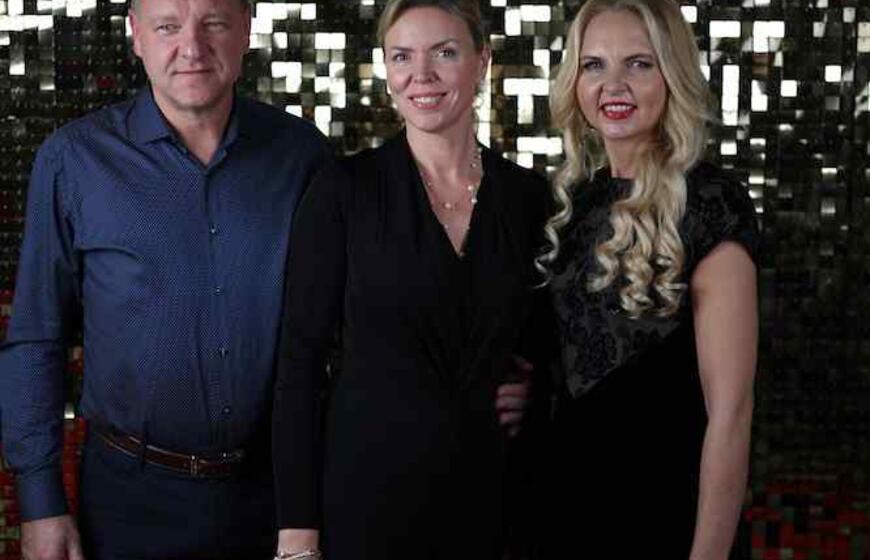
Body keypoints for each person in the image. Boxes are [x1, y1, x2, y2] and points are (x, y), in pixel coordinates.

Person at [0, 0, 531, 556]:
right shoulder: (75, 160)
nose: (191, 48)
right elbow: (37, 338)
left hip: (276, 496)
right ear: (135, 35)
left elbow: (375, 310)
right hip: (129, 500)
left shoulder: (303, 156)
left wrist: (506, 380)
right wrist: (40, 501)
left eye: (214, 23)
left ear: (246, 30)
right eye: (167, 27)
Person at [270, 1, 550, 558]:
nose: (421, 75)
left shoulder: (529, 198)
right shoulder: (342, 192)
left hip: (497, 502)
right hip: (368, 504)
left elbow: (548, 343)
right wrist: (297, 534)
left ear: (482, 61)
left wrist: (537, 391)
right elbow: (298, 366)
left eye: (444, 53)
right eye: (402, 57)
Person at [538, 0, 759, 557]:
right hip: (565, 512)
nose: (613, 85)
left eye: (639, 63)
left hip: (665, 516)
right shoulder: (575, 205)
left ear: (672, 75)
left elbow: (731, 414)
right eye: (594, 65)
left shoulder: (710, 204)